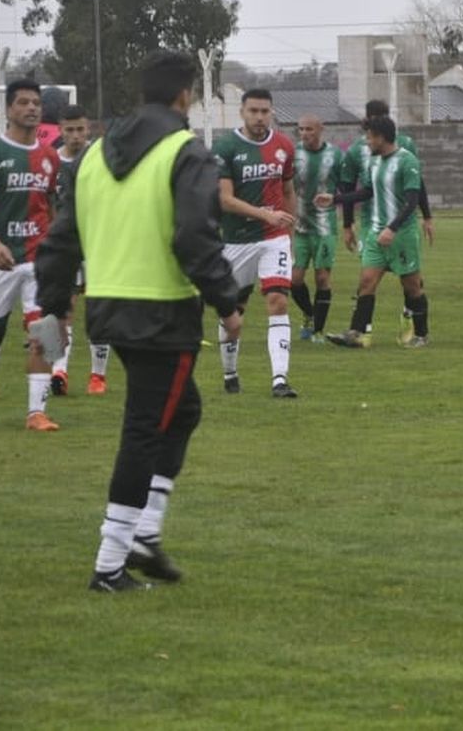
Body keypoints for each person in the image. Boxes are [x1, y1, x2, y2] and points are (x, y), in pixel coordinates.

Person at [35, 49, 242, 592]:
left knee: (182, 410)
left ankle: (145, 533)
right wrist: (226, 300)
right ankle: (111, 561)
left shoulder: (93, 155)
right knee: (146, 427)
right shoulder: (185, 151)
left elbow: (61, 238)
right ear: (184, 95)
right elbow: (196, 235)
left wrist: (53, 302)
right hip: (163, 309)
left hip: (108, 304)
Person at [0, 78, 62, 432]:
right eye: (23, 102)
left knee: (46, 330)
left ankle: (36, 412)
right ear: (9, 109)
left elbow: (50, 208)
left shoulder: (50, 156)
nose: (31, 108)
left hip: (39, 259)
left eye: (35, 102)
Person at [212, 88, 299, 398]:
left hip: (273, 239)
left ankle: (279, 379)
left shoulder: (284, 146)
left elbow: (288, 191)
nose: (259, 117)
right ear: (242, 112)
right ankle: (230, 371)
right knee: (233, 313)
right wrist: (265, 214)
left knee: (278, 300)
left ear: (272, 112)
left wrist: (289, 229)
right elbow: (224, 200)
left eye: (265, 111)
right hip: (236, 242)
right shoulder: (225, 147)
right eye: (254, 111)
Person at [327, 115, 431, 348]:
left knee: (412, 286)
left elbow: (412, 201)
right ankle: (355, 332)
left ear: (381, 137)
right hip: (376, 233)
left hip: (401, 235)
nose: (367, 141)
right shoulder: (374, 162)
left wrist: (392, 228)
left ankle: (422, 334)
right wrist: (335, 199)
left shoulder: (407, 161)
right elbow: (367, 193)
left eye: (370, 136)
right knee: (366, 282)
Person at [48, 104, 113, 397]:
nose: (75, 136)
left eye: (80, 130)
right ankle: (57, 372)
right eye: (69, 130)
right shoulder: (49, 162)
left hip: (99, 245)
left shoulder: (101, 160)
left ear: (89, 129)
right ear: (60, 131)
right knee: (61, 311)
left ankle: (98, 377)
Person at [290, 114, 347, 342]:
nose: (304, 134)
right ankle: (309, 314)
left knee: (322, 278)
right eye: (301, 129)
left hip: (325, 228)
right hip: (300, 226)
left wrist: (334, 198)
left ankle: (318, 331)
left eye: (309, 129)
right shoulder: (293, 154)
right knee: (294, 280)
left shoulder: (335, 155)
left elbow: (347, 189)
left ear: (320, 129)